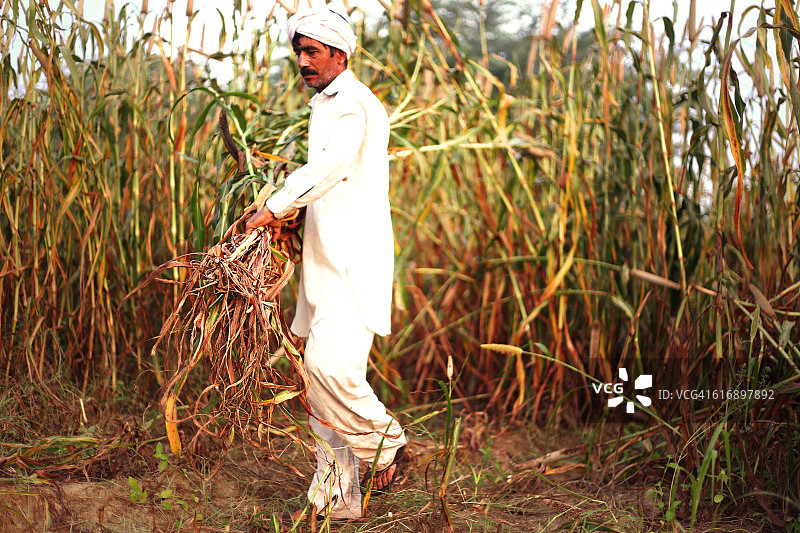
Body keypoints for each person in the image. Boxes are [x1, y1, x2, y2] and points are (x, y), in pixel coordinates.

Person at [245, 6, 408, 527]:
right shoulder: (326, 105)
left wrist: (279, 202)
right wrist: (290, 219)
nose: (302, 62)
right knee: (318, 391)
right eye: (299, 52)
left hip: (352, 263)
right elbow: (329, 182)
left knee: (329, 370)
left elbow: (332, 167)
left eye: (312, 52)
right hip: (324, 262)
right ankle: (337, 501)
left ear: (340, 54)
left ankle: (387, 444)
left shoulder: (354, 105)